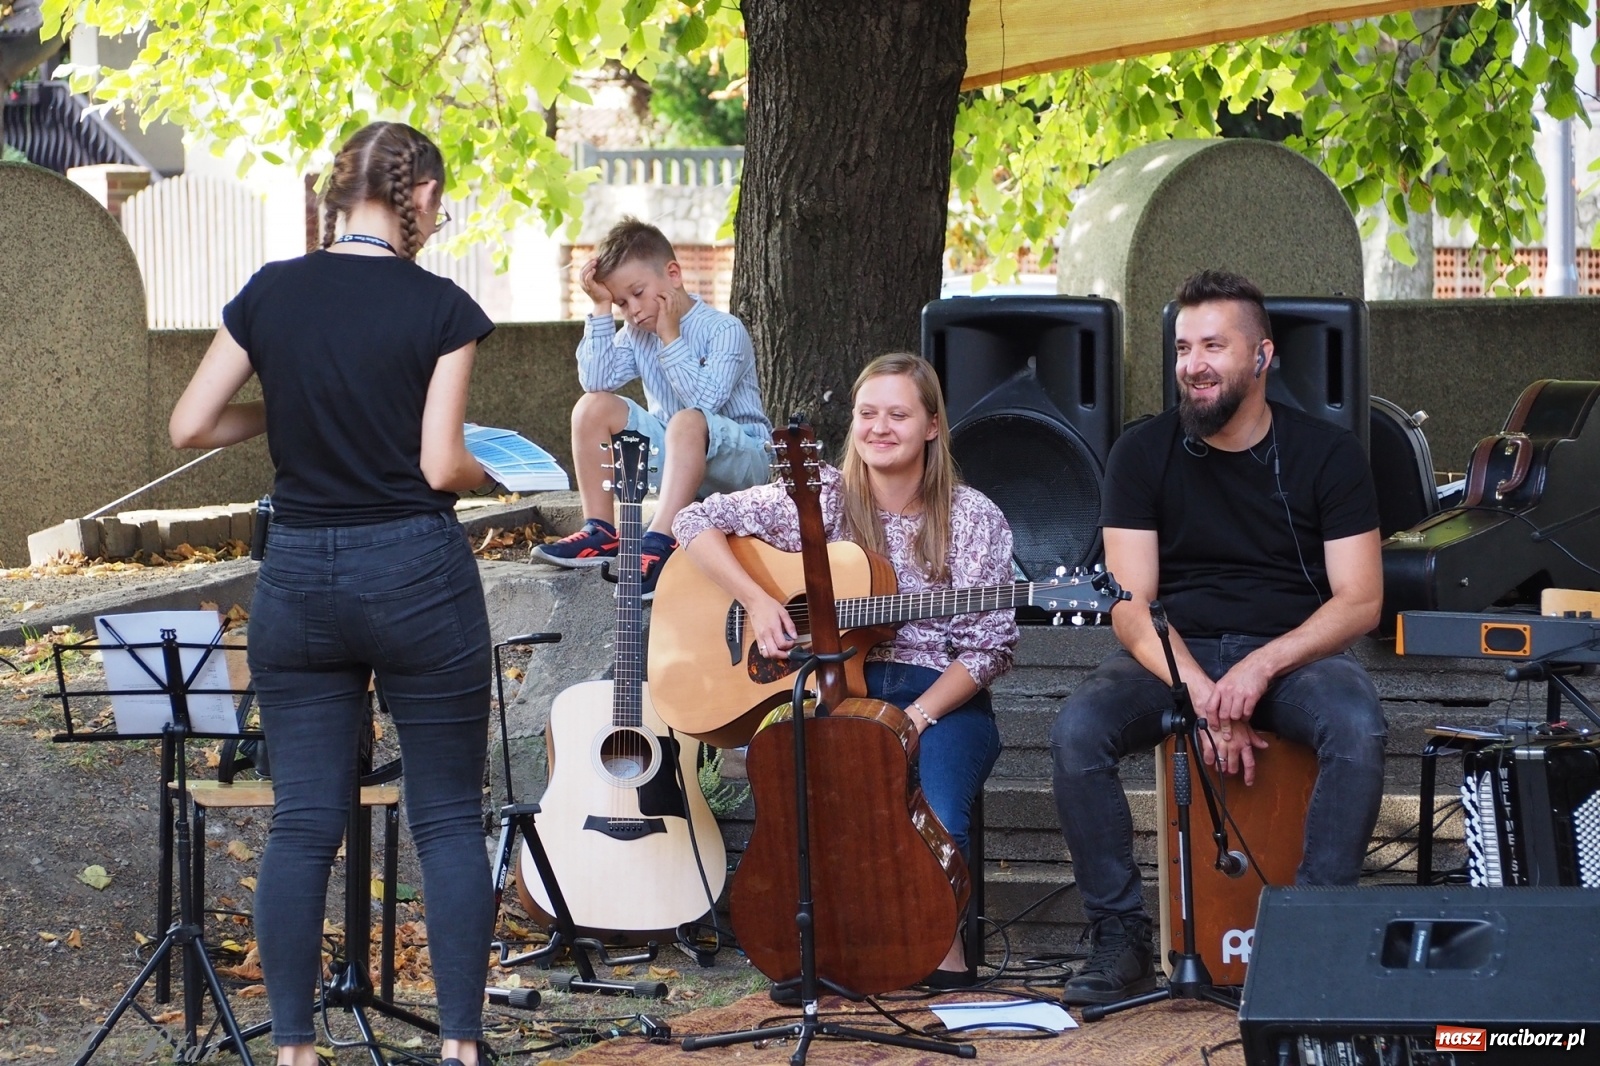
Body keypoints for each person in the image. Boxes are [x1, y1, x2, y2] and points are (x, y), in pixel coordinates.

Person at [168, 121, 497, 1066]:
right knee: (443, 816)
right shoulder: (442, 305)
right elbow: (440, 462)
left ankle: (297, 1051)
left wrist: (291, 409)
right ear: (421, 196)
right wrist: (489, 473)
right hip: (415, 573)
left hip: (301, 576)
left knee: (303, 820)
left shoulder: (272, 291)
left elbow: (190, 423)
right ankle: (462, 1049)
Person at [1049, 269, 1386, 1005]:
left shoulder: (1328, 455)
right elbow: (1130, 605)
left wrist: (1261, 667)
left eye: (1212, 345)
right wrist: (1202, 693)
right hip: (1177, 652)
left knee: (1356, 726)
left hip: (1294, 653)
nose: (1193, 364)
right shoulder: (1141, 452)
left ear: (1262, 357)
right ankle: (1121, 940)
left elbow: (1360, 600)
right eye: (1181, 348)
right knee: (1078, 730)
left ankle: (1314, 939)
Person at [673, 351, 1017, 988]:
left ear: (933, 426)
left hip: (937, 699)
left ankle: (939, 960)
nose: (880, 428)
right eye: (867, 414)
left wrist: (914, 718)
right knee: (804, 801)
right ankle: (824, 954)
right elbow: (692, 521)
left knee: (935, 813)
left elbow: (988, 647)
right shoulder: (819, 497)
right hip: (830, 688)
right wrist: (757, 599)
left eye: (898, 415)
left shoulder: (971, 517)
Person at [531, 217, 771, 597]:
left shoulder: (724, 330)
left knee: (687, 421)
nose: (633, 309)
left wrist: (670, 336)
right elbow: (595, 381)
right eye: (622, 302)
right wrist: (599, 308)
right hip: (678, 460)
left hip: (742, 465)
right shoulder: (635, 333)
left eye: (638, 293)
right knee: (591, 407)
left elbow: (703, 404)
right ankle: (602, 530)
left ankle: (659, 542)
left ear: (673, 274)